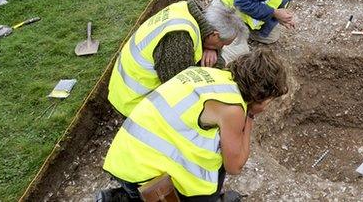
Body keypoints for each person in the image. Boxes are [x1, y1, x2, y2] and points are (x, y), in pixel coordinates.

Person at [100, 48, 290, 202]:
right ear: (260, 95)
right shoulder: (233, 108)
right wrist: (250, 116)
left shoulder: (209, 74)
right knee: (215, 175)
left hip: (124, 156)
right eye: (269, 100)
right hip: (142, 176)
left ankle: (120, 197)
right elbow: (235, 166)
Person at [108, 0, 234, 117]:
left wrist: (212, 48)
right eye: (223, 44)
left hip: (124, 85)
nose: (221, 47)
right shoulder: (179, 39)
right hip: (133, 102)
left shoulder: (185, 9)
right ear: (215, 35)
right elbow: (179, 90)